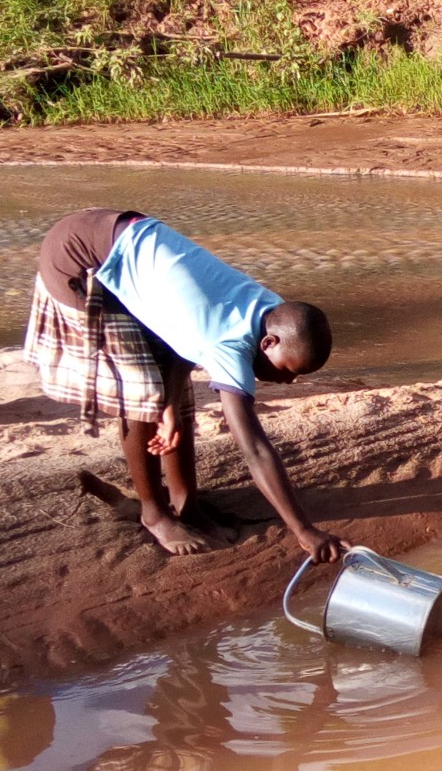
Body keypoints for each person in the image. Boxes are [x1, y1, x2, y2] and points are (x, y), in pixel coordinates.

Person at [22, 208, 346, 561]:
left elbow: (183, 339)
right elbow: (253, 448)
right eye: (287, 369)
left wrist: (173, 408)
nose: (287, 380)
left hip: (126, 244)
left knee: (171, 396)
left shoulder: (267, 307)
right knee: (143, 391)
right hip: (80, 256)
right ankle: (154, 513)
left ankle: (186, 504)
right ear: (268, 343)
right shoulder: (231, 342)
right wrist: (304, 530)